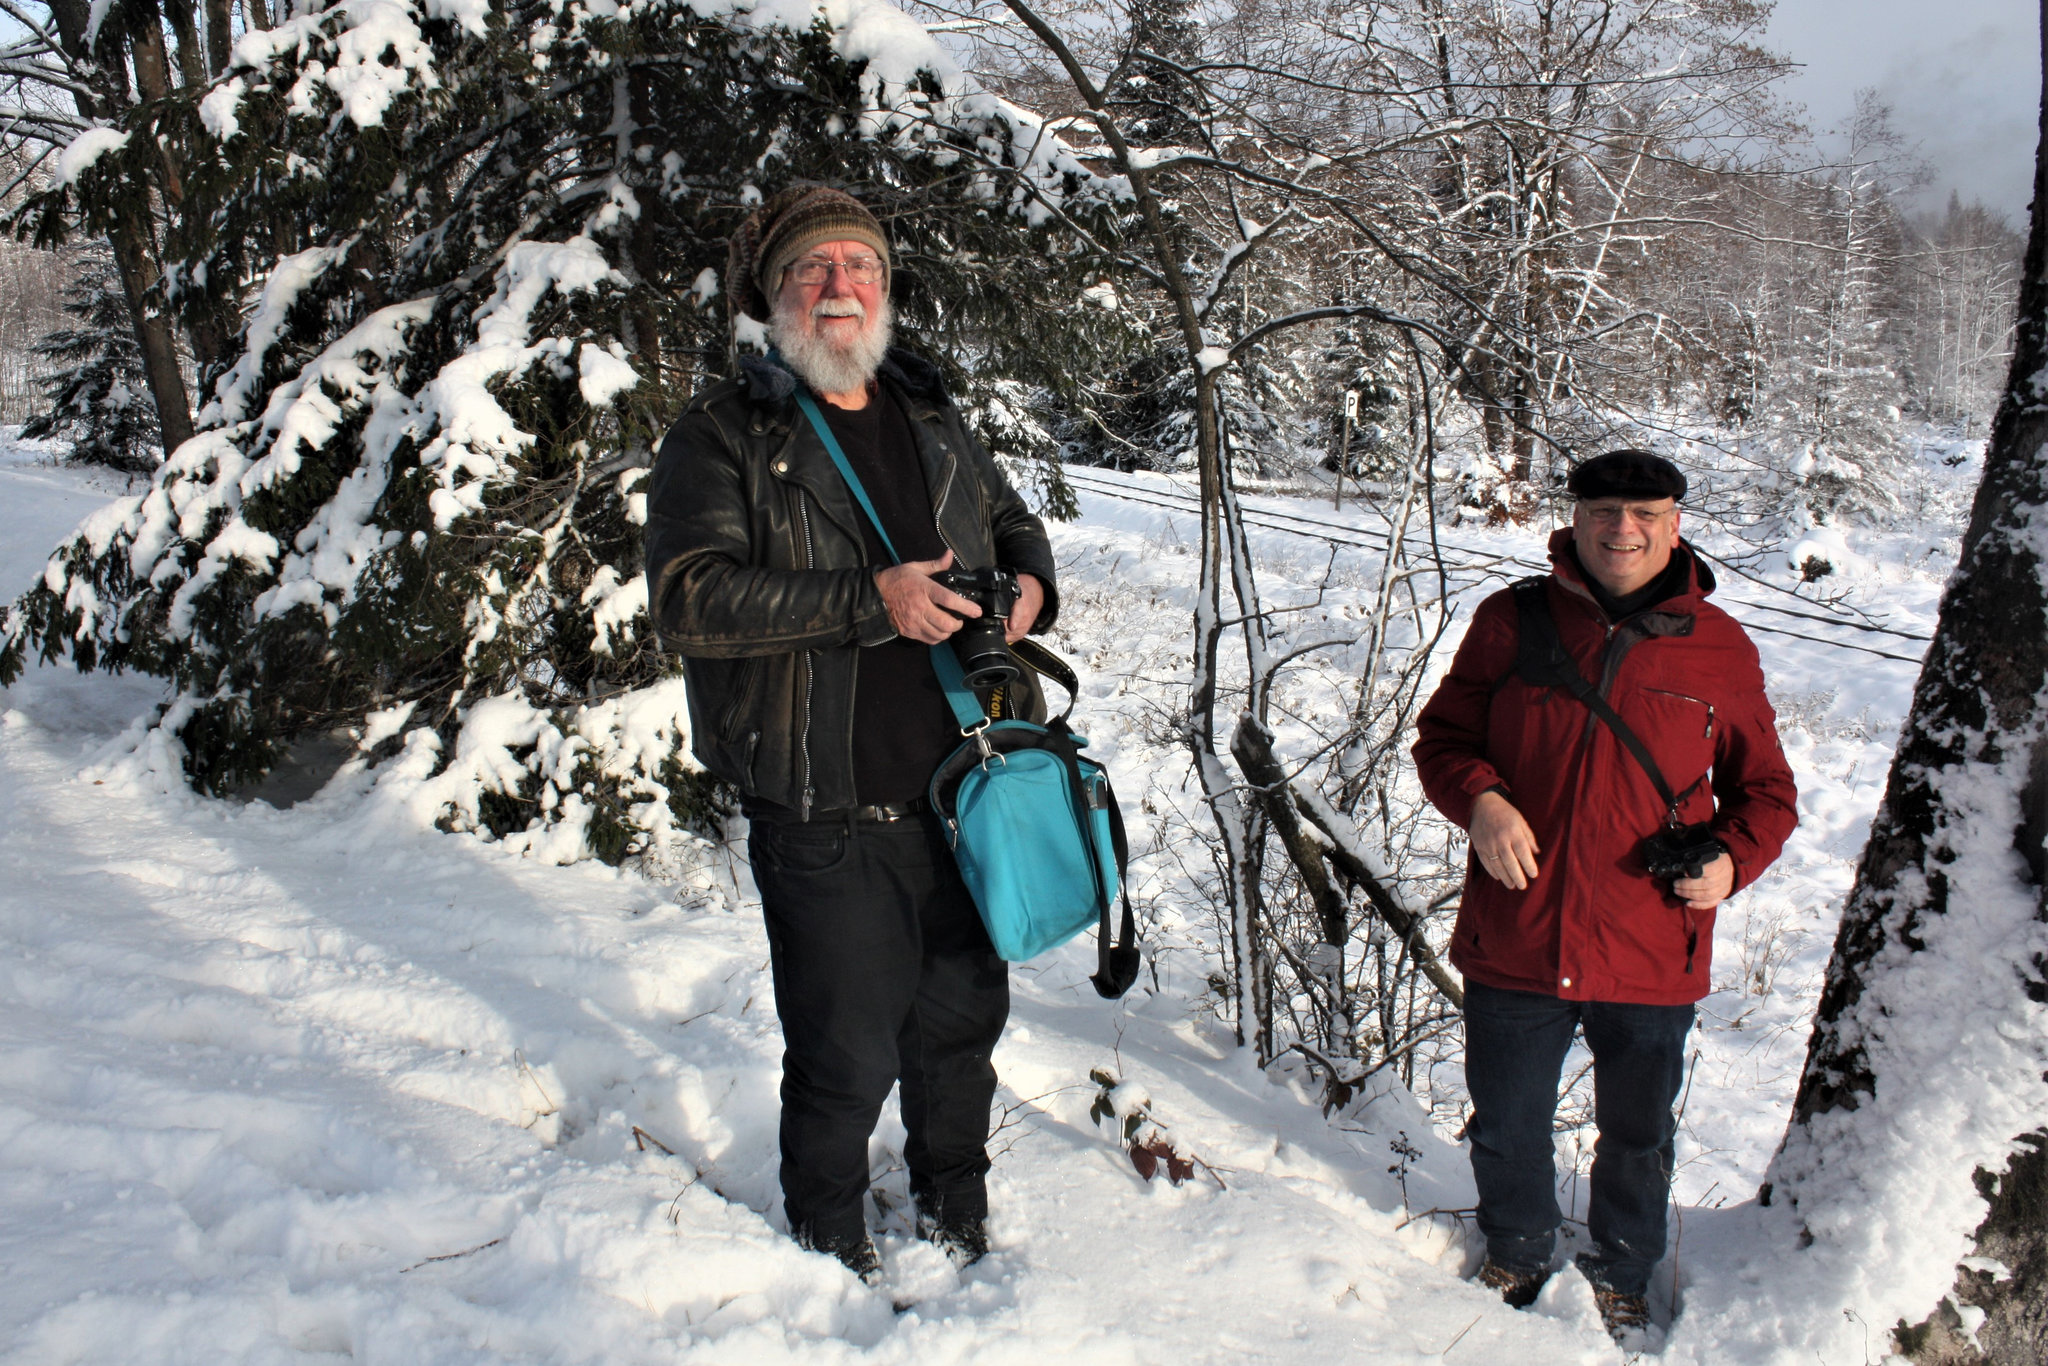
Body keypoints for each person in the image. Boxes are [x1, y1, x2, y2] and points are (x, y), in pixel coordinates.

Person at [643, 184, 1059, 1283]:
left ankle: (955, 1210)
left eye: (857, 266)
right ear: (772, 295)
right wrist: (868, 600)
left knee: (961, 1028)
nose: (839, 286)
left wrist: (1026, 589)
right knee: (842, 1055)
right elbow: (690, 599)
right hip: (822, 804)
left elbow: (1014, 523)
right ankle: (827, 1244)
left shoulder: (931, 418)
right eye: (811, 269)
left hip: (964, 788)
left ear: (883, 288)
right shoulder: (724, 435)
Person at [1411, 450, 1798, 1338]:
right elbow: (1443, 738)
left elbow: (1767, 793)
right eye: (1603, 511)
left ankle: (1624, 1268)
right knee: (1507, 1122)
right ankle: (1516, 1246)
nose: (1621, 529)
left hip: (1651, 943)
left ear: (1674, 522)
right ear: (1575, 518)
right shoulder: (1512, 622)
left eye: (1644, 513)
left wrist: (1733, 861)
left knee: (1637, 1136)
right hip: (1520, 930)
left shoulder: (1722, 649)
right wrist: (1482, 799)